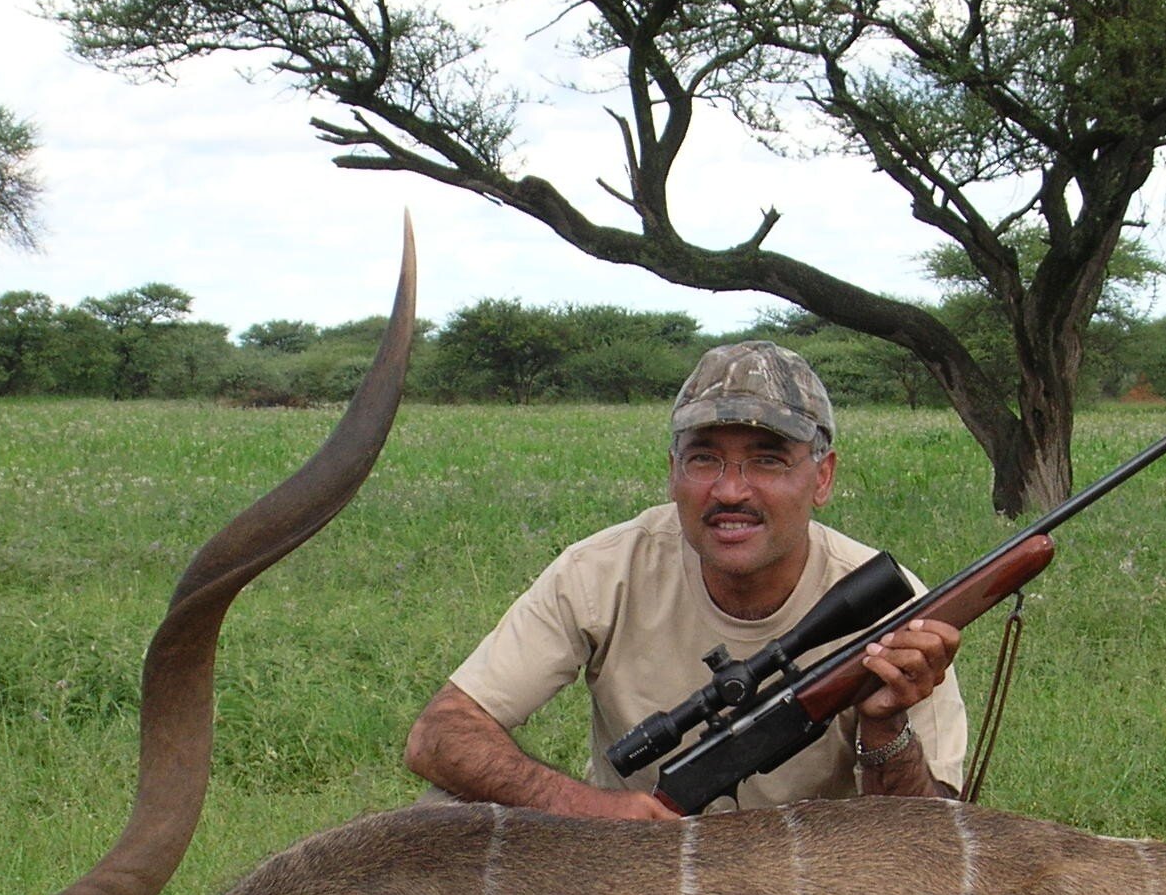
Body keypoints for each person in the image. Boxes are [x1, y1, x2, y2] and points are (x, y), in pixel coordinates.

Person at [405, 341, 968, 817]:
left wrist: (885, 726)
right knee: (439, 815)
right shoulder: (602, 570)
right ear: (673, 473)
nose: (730, 491)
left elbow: (931, 841)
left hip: (812, 894)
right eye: (704, 459)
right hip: (639, 871)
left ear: (822, 476)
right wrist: (597, 812)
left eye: (767, 460)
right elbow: (440, 736)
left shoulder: (887, 606)